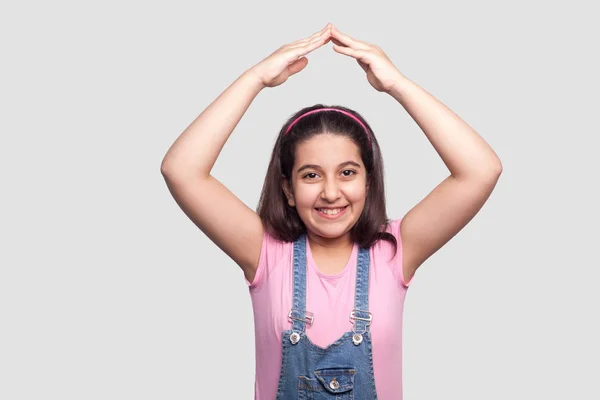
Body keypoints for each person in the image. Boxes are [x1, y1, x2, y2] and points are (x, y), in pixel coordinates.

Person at [161, 22, 502, 400]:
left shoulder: (394, 250)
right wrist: (255, 77)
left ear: (368, 182)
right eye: (311, 175)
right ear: (288, 189)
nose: (330, 192)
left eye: (347, 173)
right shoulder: (264, 251)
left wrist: (397, 85)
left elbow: (481, 170)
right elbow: (181, 170)